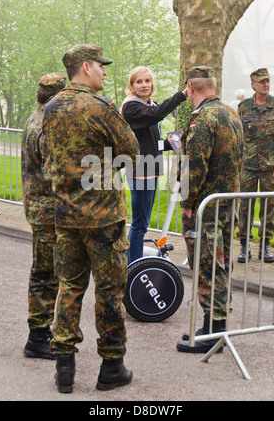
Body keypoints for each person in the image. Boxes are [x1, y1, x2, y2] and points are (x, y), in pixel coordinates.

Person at [42, 44, 139, 394]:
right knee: (110, 290)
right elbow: (132, 153)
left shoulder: (50, 108)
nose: (105, 71)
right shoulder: (101, 108)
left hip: (66, 215)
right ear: (86, 66)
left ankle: (64, 367)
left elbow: (46, 157)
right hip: (103, 218)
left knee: (69, 287)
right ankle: (111, 367)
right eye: (101, 66)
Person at [176, 66, 243, 353]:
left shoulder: (203, 118)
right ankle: (216, 327)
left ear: (191, 87)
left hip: (208, 208)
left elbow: (194, 167)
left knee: (207, 266)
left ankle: (212, 334)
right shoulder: (232, 113)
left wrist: (189, 205)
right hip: (228, 204)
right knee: (221, 264)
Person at [120, 66, 187, 264]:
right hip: (140, 170)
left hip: (153, 168)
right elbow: (156, 114)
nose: (144, 85)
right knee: (140, 224)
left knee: (144, 222)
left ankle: (135, 260)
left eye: (147, 81)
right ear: (131, 85)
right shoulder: (131, 107)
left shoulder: (149, 104)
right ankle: (134, 267)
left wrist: (172, 142)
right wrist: (182, 95)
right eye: (139, 82)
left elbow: (151, 141)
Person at [21, 72, 67, 360]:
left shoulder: (35, 118)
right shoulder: (46, 126)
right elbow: (55, 174)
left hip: (40, 208)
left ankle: (41, 331)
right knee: (46, 274)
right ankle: (37, 336)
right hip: (47, 210)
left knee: (45, 271)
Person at [237, 68, 274, 263]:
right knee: (244, 207)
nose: (266, 84)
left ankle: (265, 245)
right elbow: (237, 136)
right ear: (253, 85)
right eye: (261, 81)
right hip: (247, 166)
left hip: (271, 167)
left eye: (267, 81)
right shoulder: (244, 107)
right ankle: (244, 245)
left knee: (269, 207)